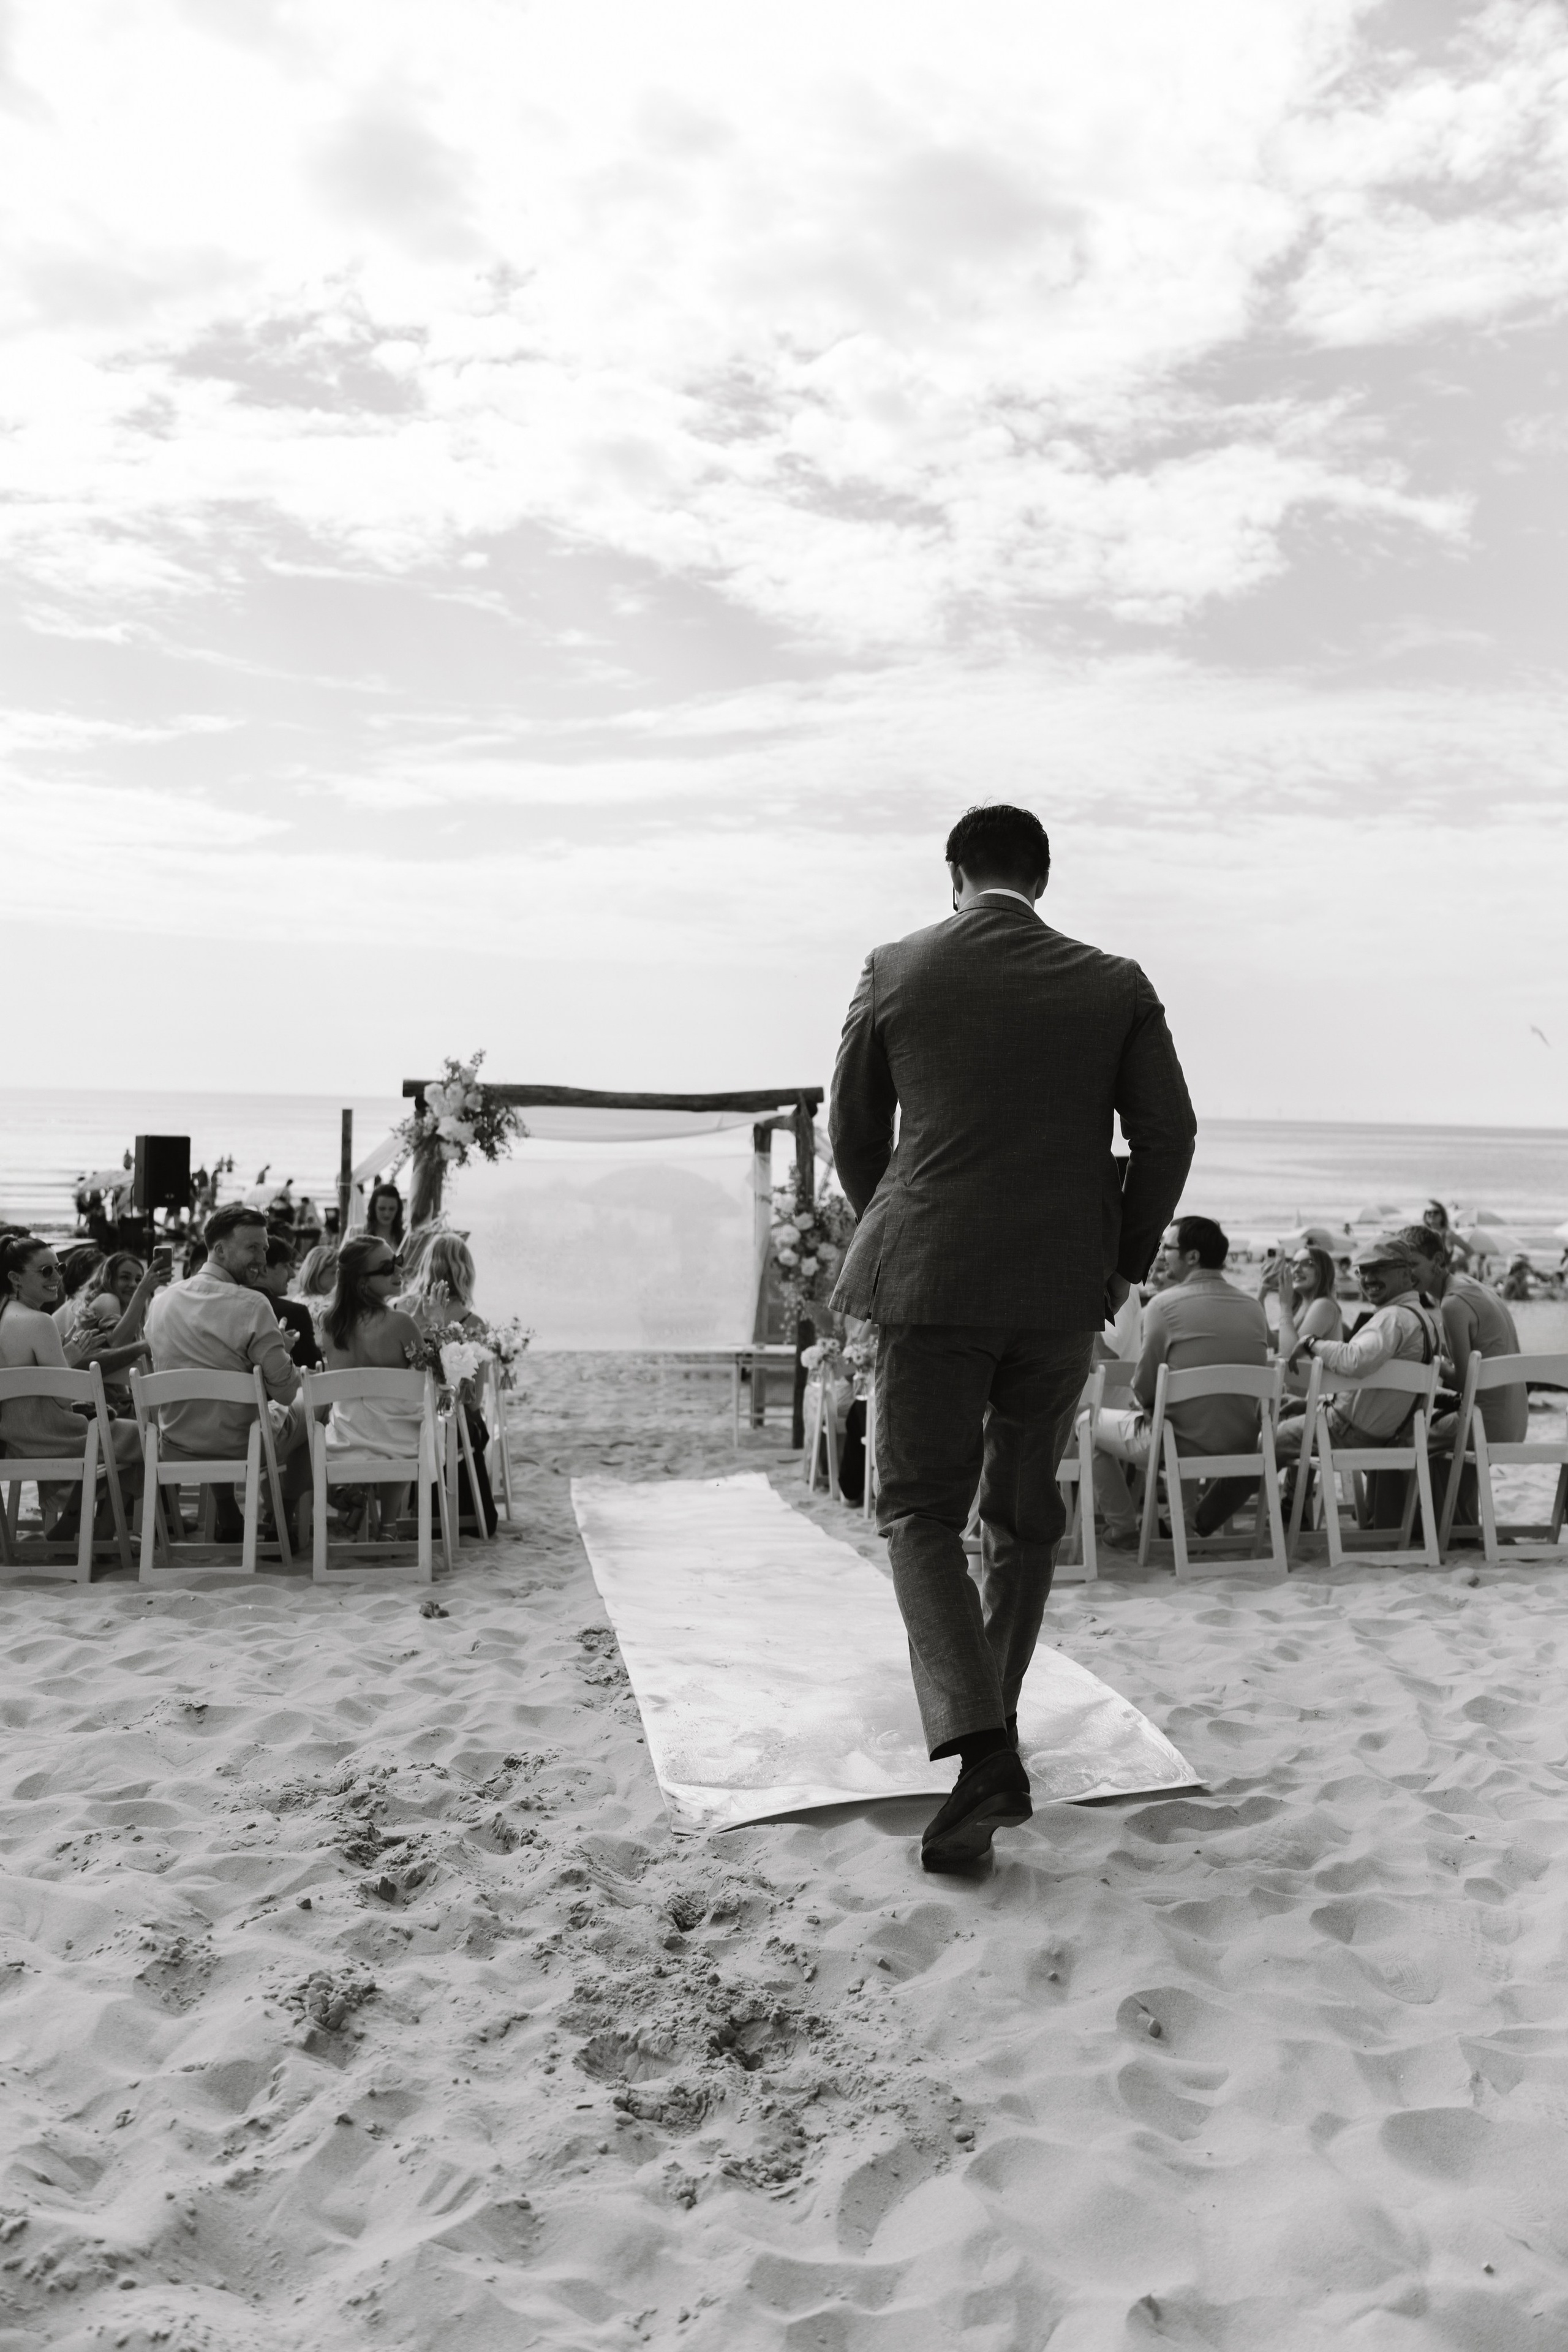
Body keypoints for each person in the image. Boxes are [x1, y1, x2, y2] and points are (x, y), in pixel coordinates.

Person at [829, 801, 1196, 1872]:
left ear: (955, 872)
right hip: (1057, 1291)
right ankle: (995, 1731)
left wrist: (897, 1225)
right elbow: (1167, 1131)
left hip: (933, 1281)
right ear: (1043, 878)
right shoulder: (1115, 983)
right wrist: (1120, 1257)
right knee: (1024, 1518)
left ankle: (982, 1745)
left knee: (918, 1511)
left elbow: (853, 1128)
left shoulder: (897, 967)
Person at [1093, 1217, 1272, 1542]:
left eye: (1168, 1247)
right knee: (1183, 1416)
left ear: (1192, 1257)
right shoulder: (1253, 1308)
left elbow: (1145, 1387)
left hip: (1176, 1443)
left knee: (1086, 1425)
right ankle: (1184, 1522)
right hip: (1243, 1443)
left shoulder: (1163, 1306)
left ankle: (1123, 1526)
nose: (1161, 1255)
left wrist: (1144, 1402)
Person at [145, 1204, 309, 1539]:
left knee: (218, 1411)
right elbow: (286, 1392)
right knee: (312, 1402)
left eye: (264, 1248)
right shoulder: (252, 1305)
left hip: (176, 1444)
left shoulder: (161, 1301)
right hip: (244, 1446)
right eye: (252, 1248)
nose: (262, 1259)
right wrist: (281, 1354)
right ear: (219, 1249)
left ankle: (229, 1511)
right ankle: (282, 1518)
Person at [1277, 1236, 1446, 1529]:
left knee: (1268, 1441)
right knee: (1295, 1419)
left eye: (1379, 1270)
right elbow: (1373, 1388)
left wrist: (1313, 1343)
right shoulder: (1424, 1319)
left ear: (1407, 1274)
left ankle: (1200, 1525)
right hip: (1389, 1432)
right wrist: (1310, 1402)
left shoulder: (1392, 1319)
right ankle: (1291, 1507)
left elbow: (1356, 1360)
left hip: (1352, 1431)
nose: (1369, 1278)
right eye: (1362, 1271)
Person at [0, 1234, 144, 1532]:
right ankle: (100, 1535)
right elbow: (63, 1399)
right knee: (147, 1437)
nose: (56, 1277)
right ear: (14, 1278)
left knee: (115, 1434)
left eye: (60, 1268)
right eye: (46, 1271)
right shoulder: (39, 1321)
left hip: (11, 1436)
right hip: (47, 1435)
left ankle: (72, 1525)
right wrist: (72, 1355)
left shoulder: (5, 1316)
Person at [318, 1235, 428, 1531]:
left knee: (365, 1416)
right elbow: (425, 1378)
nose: (398, 1271)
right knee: (408, 1423)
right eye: (387, 1267)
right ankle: (390, 1525)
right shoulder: (401, 1323)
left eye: (398, 1262)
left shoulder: (328, 1325)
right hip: (399, 1442)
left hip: (345, 1442)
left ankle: (358, 1491)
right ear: (361, 1282)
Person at [396, 1231, 497, 1532]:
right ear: (465, 1272)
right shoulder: (474, 1324)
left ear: (427, 1264)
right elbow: (473, 1401)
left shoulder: (400, 1309)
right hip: (450, 1424)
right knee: (472, 1426)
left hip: (404, 1419)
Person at [1396, 1225, 1527, 1448]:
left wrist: (1434, 1360)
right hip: (1516, 1422)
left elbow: (1464, 1381)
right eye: (1400, 1266)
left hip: (1485, 1424)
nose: (1406, 1273)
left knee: (1396, 1438)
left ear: (1437, 1260)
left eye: (1413, 1264)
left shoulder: (1452, 1305)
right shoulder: (1471, 1285)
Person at [254, 1237, 324, 1371]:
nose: (292, 1275)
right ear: (264, 1269)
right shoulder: (294, 1313)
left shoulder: (228, 1307)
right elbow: (315, 1370)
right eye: (286, 1266)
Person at [364, 1183, 406, 1255]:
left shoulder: (405, 1238)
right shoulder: (357, 1233)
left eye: (392, 1209)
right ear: (373, 1208)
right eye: (382, 1209)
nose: (387, 1214)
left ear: (398, 1209)